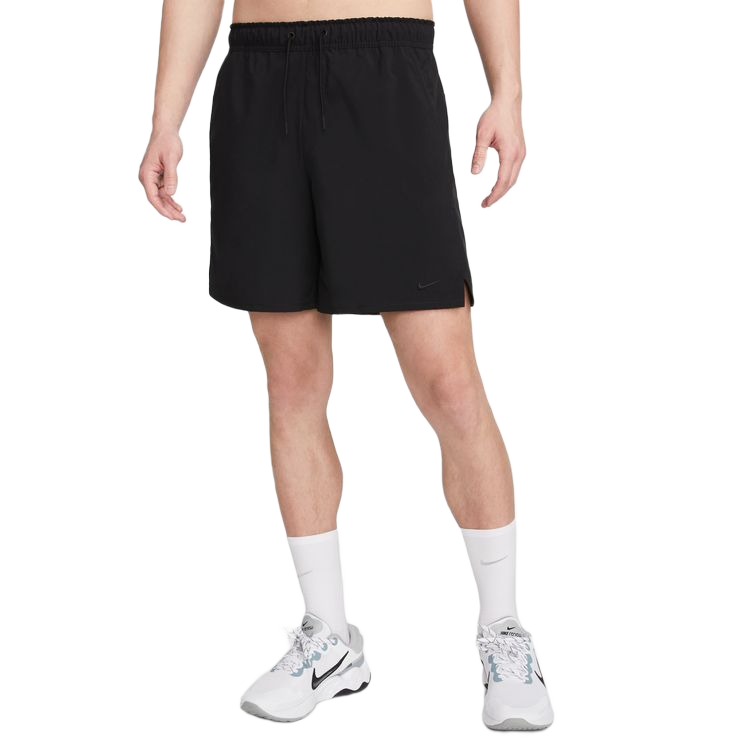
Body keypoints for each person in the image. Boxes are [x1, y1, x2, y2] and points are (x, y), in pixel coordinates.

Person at [139, 0, 553, 731]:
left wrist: (507, 91)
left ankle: (503, 630)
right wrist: (165, 118)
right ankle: (328, 638)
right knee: (291, 381)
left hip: (385, 66)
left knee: (449, 384)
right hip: (260, 80)